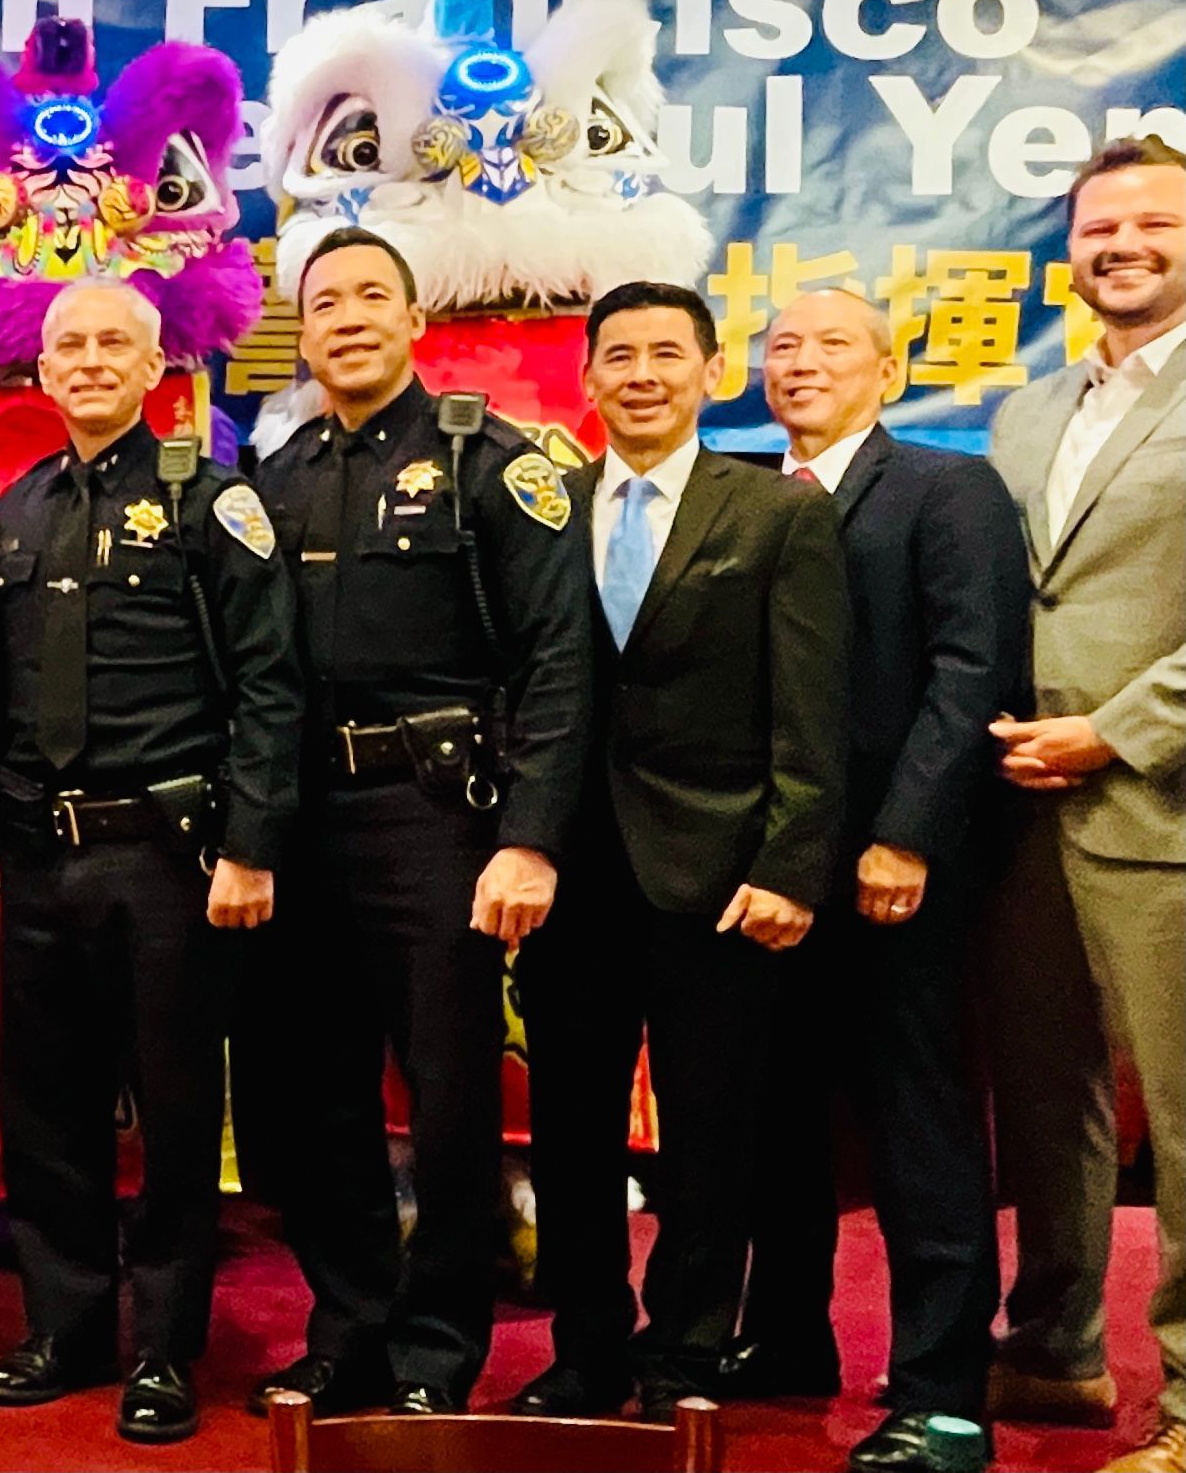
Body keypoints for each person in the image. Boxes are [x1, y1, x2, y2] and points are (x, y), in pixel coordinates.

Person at [243, 228, 594, 1418]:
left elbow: (557, 662)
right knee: (312, 1096)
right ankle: (345, 1327)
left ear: (411, 321)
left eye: (368, 297)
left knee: (445, 1096)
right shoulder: (274, 479)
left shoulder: (489, 463)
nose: (345, 317)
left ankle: (437, 1348)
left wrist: (530, 835)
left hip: (439, 815)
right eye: (322, 301)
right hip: (303, 819)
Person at [0, 278, 301, 1445]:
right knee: (42, 1104)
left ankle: (161, 1345)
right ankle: (62, 1326)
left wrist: (250, 845)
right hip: (42, 853)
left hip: (168, 856)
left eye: (114, 342)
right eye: (69, 344)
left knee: (169, 1108)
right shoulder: (18, 506)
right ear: (40, 372)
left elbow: (268, 682)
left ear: (157, 369)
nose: (90, 359)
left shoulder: (215, 502)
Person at [512, 280, 847, 1418]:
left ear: (712, 372)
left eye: (666, 353)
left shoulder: (773, 512)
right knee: (568, 1130)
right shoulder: (544, 505)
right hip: (566, 870)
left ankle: (686, 1352)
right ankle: (584, 1347)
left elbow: (811, 710)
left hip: (718, 874)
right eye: (618, 355)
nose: (640, 374)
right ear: (587, 377)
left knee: (711, 1133)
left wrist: (789, 863)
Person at [738, 285, 1023, 1473]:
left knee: (916, 1120)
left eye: (829, 344)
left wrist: (903, 834)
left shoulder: (943, 490)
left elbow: (973, 670)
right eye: (780, 344)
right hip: (767, 869)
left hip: (890, 869)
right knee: (776, 1115)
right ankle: (784, 1339)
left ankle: (941, 1389)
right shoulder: (747, 496)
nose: (799, 363)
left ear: (887, 371)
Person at [985, 135, 1186, 1473]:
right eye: (1095, 224)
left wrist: (1111, 733)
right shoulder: (1025, 408)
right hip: (1017, 809)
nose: (1119, 243)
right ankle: (1054, 1343)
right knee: (1041, 1092)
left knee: (1180, 1114)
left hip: (1159, 803)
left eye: (1151, 221)